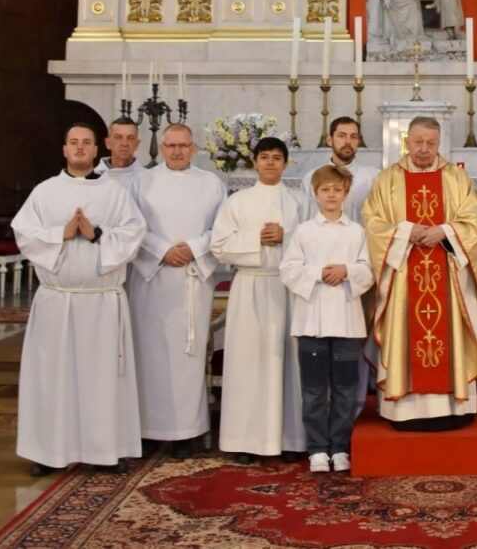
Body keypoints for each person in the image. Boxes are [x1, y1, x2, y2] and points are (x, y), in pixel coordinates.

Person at [12, 123, 147, 476]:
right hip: (57, 302)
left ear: (96, 149)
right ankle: (48, 452)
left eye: (86, 142)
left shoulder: (115, 193)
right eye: (74, 142)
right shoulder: (45, 192)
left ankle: (106, 451)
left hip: (101, 302)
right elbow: (24, 234)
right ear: (64, 149)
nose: (80, 148)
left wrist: (96, 233)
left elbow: (134, 233)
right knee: (52, 378)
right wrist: (62, 233)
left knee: (102, 380)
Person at [360, 116, 477, 430]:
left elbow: (474, 220)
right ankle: (405, 410)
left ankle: (454, 407)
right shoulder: (388, 180)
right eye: (418, 142)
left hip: (448, 275)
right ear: (407, 142)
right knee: (408, 333)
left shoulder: (457, 178)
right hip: (404, 276)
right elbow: (372, 222)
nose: (424, 149)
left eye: (431, 143)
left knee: (448, 334)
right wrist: (405, 231)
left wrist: (445, 231)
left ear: (439, 143)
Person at [128, 124, 227, 459]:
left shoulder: (211, 183)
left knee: (189, 356)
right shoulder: (141, 182)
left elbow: (221, 228)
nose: (177, 151)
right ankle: (146, 430)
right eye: (171, 146)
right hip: (151, 280)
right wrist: (162, 250)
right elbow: (132, 227)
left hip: (191, 280)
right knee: (148, 354)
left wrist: (194, 248)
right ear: (161, 148)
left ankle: (187, 432)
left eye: (183, 146)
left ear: (193, 148)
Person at [210, 138, 305, 463]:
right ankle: (244, 441)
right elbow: (219, 245)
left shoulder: (299, 201)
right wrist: (256, 239)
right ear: (254, 162)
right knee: (248, 363)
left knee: (286, 361)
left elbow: (313, 241)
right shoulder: (237, 201)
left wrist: (286, 237)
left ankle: (290, 438)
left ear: (286, 163)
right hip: (249, 287)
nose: (270, 163)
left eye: (277, 158)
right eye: (264, 157)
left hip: (287, 289)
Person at [280, 165, 374, 473]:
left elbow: (368, 270)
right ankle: (318, 448)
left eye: (337, 190)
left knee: (346, 387)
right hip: (312, 320)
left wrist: (347, 271)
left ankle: (340, 447)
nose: (331, 195)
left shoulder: (356, 231)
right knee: (314, 389)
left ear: (346, 194)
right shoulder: (304, 231)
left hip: (346, 320)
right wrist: (319, 273)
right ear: (315, 193)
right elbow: (289, 270)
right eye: (325, 190)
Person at [300, 117, 380, 223]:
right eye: (341, 136)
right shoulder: (311, 178)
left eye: (353, 137)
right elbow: (305, 218)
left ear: (358, 141)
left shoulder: (374, 177)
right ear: (329, 140)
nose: (348, 142)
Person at [96, 116, 144, 192]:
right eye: (118, 137)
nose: (124, 143)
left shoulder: (147, 178)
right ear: (108, 143)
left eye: (130, 138)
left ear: (137, 144)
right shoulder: (92, 176)